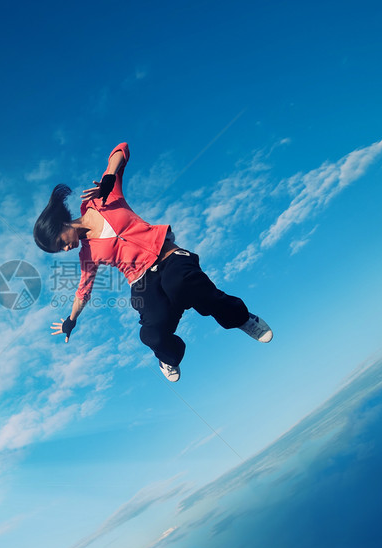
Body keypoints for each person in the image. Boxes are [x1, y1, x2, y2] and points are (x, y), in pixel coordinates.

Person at [33, 142, 272, 382]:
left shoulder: (102, 200)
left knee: (182, 283)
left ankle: (241, 318)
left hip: (167, 256)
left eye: (60, 242)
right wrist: (71, 320)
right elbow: (83, 291)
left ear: (60, 225)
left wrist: (109, 178)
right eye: (60, 250)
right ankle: (169, 357)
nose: (66, 248)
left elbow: (121, 150)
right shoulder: (87, 254)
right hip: (141, 281)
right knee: (152, 335)